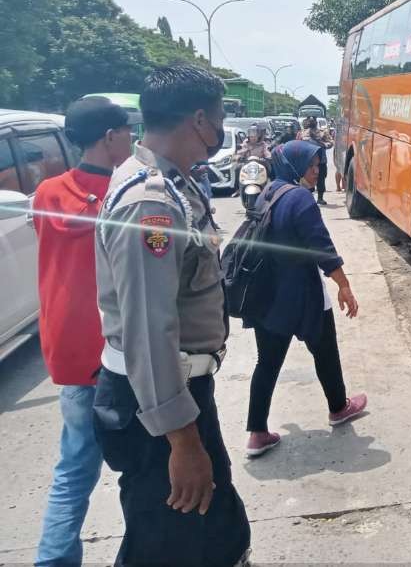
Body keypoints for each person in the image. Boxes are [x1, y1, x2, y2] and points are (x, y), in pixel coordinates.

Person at [93, 65, 251, 566]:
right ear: (200, 119)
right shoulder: (150, 204)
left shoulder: (174, 183)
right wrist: (181, 439)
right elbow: (147, 329)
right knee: (167, 543)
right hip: (158, 409)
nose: (222, 128)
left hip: (178, 395)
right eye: (222, 116)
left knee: (214, 532)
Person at [33, 97, 136, 566]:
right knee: (141, 470)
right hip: (113, 354)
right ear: (110, 137)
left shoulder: (47, 192)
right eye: (126, 131)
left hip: (65, 353)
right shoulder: (126, 194)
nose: (132, 139)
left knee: (73, 470)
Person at [243, 140, 365, 457]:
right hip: (301, 294)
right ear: (296, 165)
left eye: (317, 164)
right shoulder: (299, 198)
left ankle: (257, 433)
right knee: (325, 351)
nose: (317, 170)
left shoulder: (268, 191)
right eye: (312, 165)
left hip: (266, 296)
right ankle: (339, 408)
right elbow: (320, 247)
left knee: (267, 362)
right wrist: (344, 284)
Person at [296, 117, 330, 205]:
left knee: (321, 178)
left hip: (321, 160)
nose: (311, 122)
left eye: (313, 120)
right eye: (309, 120)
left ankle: (320, 198)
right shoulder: (302, 133)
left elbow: (330, 142)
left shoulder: (322, 132)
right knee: (307, 179)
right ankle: (308, 197)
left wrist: (323, 144)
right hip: (307, 161)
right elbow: (297, 144)